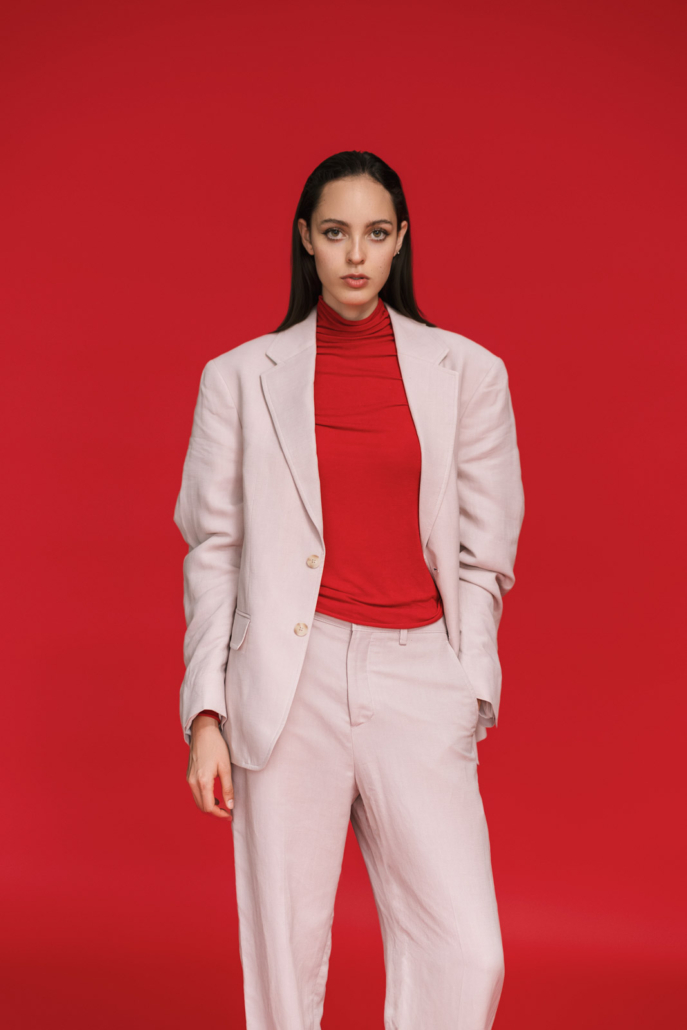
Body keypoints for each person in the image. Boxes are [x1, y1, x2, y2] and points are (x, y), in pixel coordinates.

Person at [173, 150, 525, 1030]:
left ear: (401, 240)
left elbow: (485, 555)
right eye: (335, 233)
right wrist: (206, 714)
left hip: (419, 673)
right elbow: (214, 550)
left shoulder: (469, 373)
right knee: (285, 957)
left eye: (375, 233)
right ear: (306, 239)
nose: (356, 255)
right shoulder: (238, 378)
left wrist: (467, 683)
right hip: (288, 684)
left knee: (467, 951)